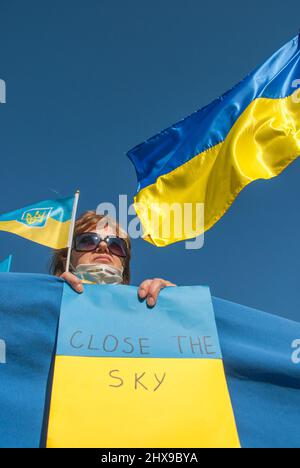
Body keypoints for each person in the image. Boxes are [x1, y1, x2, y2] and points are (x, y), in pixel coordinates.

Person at [51, 210, 176, 307]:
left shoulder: (145, 309)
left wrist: (174, 301)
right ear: (66, 257)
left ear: (124, 265)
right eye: (88, 240)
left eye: (116, 245)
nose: (103, 245)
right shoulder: (47, 302)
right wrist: (53, 299)